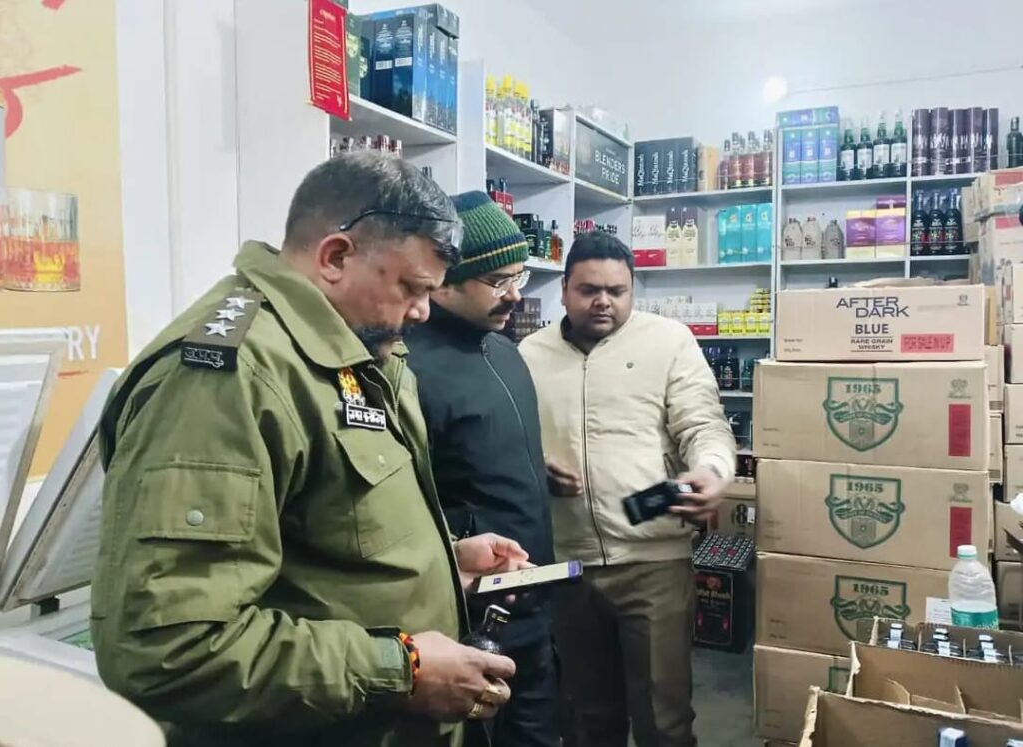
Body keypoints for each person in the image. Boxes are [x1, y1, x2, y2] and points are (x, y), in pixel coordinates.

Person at [90, 152, 532, 747]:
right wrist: (402, 669)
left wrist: (442, 562)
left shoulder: (354, 347)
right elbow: (170, 647)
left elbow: (322, 534)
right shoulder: (229, 379)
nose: (423, 311)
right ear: (335, 257)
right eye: (410, 288)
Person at [518, 231, 737, 747]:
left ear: (632, 290)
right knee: (586, 718)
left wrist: (711, 469)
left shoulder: (668, 342)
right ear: (564, 290)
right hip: (567, 565)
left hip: (652, 562)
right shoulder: (529, 353)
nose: (603, 301)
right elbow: (515, 438)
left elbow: (703, 423)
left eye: (617, 291)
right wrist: (535, 466)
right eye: (589, 289)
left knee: (664, 719)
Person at [404, 192, 558, 747]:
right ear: (444, 282)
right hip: (468, 612)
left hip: (533, 597)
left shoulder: (506, 352)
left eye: (519, 276)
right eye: (497, 280)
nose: (515, 294)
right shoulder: (407, 368)